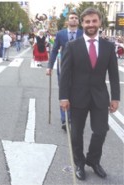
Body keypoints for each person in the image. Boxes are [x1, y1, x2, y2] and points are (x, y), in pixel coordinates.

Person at [59, 7, 120, 181]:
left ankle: (93, 160)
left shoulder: (108, 46)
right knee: (77, 133)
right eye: (87, 21)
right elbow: (65, 75)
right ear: (82, 23)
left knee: (101, 131)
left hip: (100, 96)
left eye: (94, 21)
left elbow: (114, 75)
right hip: (77, 97)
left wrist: (115, 97)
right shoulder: (72, 46)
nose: (91, 24)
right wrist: (63, 97)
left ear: (99, 22)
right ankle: (79, 163)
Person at [46, 12, 83, 131]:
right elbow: (54, 50)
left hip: (78, 68)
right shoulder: (60, 34)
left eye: (76, 18)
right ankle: (65, 119)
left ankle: (72, 117)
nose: (74, 20)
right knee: (64, 92)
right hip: (63, 66)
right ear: (68, 20)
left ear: (78, 21)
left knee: (76, 93)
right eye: (72, 18)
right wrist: (49, 66)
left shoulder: (83, 34)